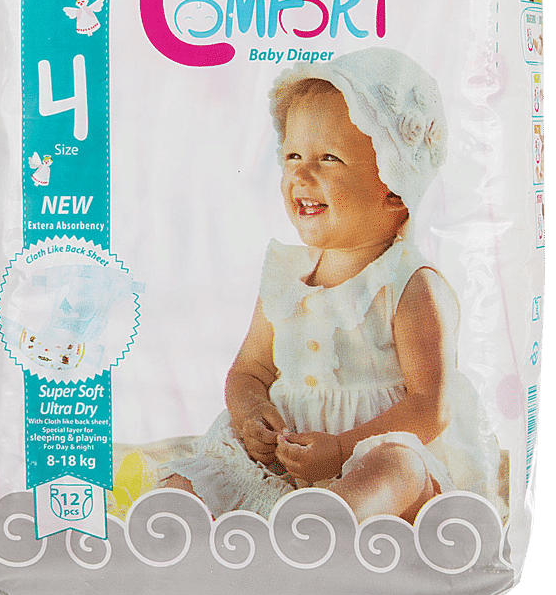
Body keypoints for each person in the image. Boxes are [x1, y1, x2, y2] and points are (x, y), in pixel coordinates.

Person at [160, 48, 503, 523]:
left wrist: (343, 449)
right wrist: (251, 414)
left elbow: (430, 408)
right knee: (200, 473)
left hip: (367, 453)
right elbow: (249, 370)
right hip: (286, 458)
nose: (300, 174)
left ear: (394, 189)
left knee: (397, 466)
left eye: (328, 159)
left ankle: (327, 526)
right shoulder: (285, 277)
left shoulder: (411, 286)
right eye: (293, 156)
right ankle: (184, 519)